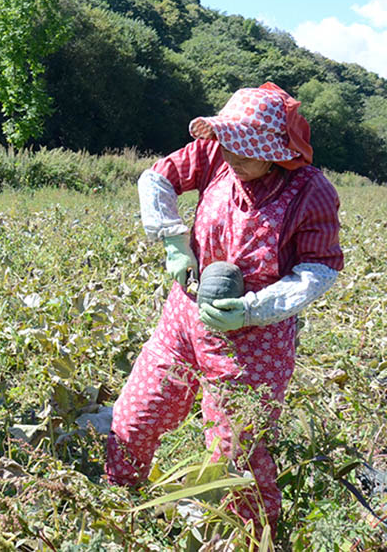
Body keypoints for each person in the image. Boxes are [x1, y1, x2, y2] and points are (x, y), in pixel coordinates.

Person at [105, 83, 343, 526]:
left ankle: (247, 534)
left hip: (253, 342)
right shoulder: (216, 153)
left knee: (237, 451)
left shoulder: (312, 192)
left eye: (247, 151)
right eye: (229, 144)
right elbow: (157, 177)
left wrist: (254, 307)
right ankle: (122, 507)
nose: (233, 157)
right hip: (184, 317)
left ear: (279, 151)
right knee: (135, 416)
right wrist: (175, 240)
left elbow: (319, 269)